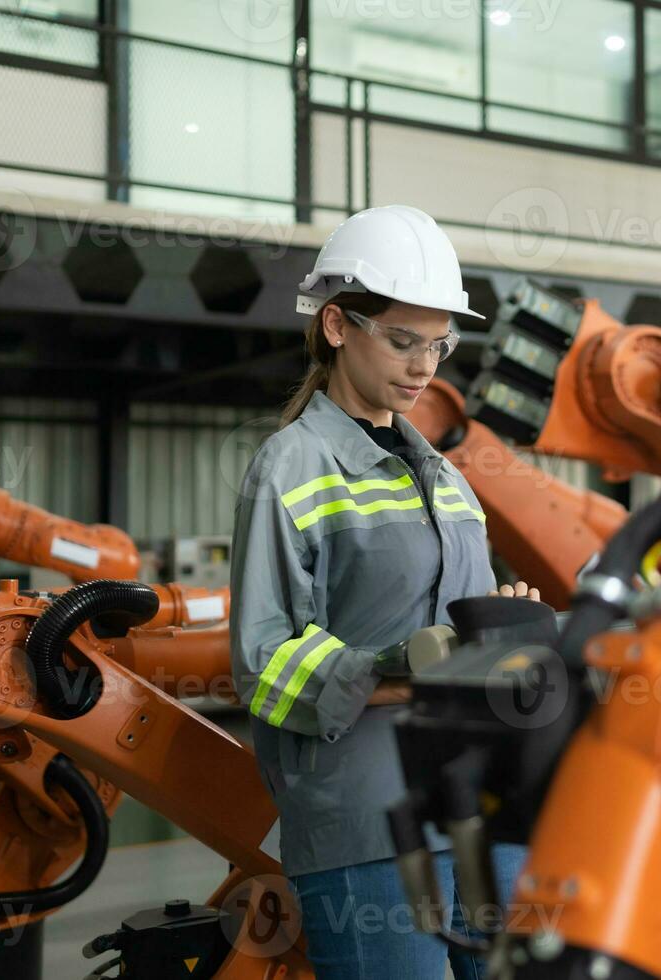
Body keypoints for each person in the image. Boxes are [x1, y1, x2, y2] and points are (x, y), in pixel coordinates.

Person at [230, 204, 535, 979]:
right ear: (337, 324)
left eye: (438, 344)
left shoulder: (445, 476)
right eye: (403, 341)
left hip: (480, 804)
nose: (425, 365)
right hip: (368, 824)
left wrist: (513, 626)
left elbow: (461, 614)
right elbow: (263, 661)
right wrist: (391, 661)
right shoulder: (292, 467)